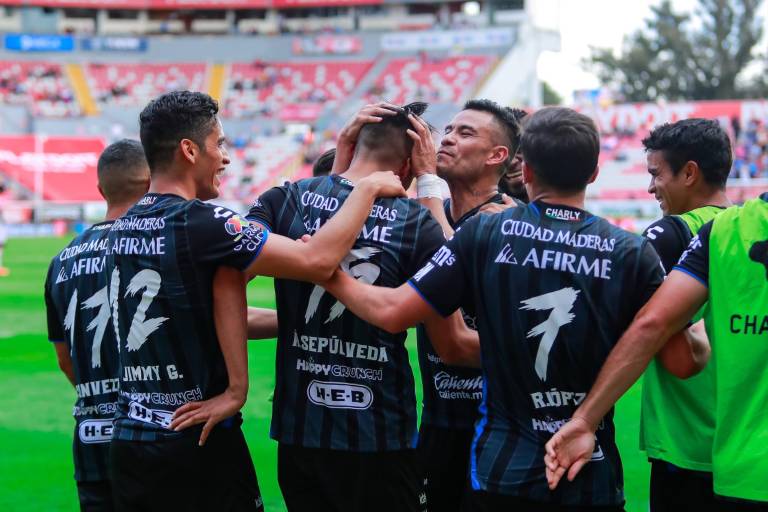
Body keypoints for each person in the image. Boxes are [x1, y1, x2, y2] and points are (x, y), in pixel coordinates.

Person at [318, 107, 671, 510]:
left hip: (501, 461)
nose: (447, 138)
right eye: (447, 129)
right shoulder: (631, 251)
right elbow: (674, 347)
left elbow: (403, 315)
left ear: (525, 168)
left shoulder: (491, 228)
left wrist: (325, 267)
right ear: (593, 173)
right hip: (571, 460)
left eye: (463, 132)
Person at [105, 91, 405, 512]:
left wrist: (297, 324)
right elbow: (316, 260)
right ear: (190, 151)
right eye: (219, 144)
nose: (225, 158)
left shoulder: (120, 227)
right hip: (198, 438)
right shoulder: (206, 223)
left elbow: (203, 312)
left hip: (131, 440)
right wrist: (368, 187)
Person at [246, 102, 467, 512]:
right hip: (380, 433)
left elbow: (230, 274)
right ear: (406, 165)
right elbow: (453, 332)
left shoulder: (284, 199)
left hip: (300, 430)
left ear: (352, 142)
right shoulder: (417, 224)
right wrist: (429, 181)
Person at [544, 191, 768, 510]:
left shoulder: (727, 229)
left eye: (658, 174)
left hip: (744, 471)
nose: (652, 186)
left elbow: (652, 325)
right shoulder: (720, 228)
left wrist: (585, 419)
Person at [44, 139, 150, 511]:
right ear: (152, 184)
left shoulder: (60, 261)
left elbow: (65, 359)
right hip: (156, 436)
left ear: (100, 189)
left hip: (91, 437)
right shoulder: (155, 244)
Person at [638, 119, 732, 511]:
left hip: (684, 443)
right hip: (741, 441)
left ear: (689, 173)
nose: (649, 187)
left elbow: (637, 323)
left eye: (656, 174)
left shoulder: (670, 234)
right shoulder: (743, 233)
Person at [497, 107, 529, 204]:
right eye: (499, 154)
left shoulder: (572, 209)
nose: (512, 162)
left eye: (520, 150)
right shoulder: (484, 216)